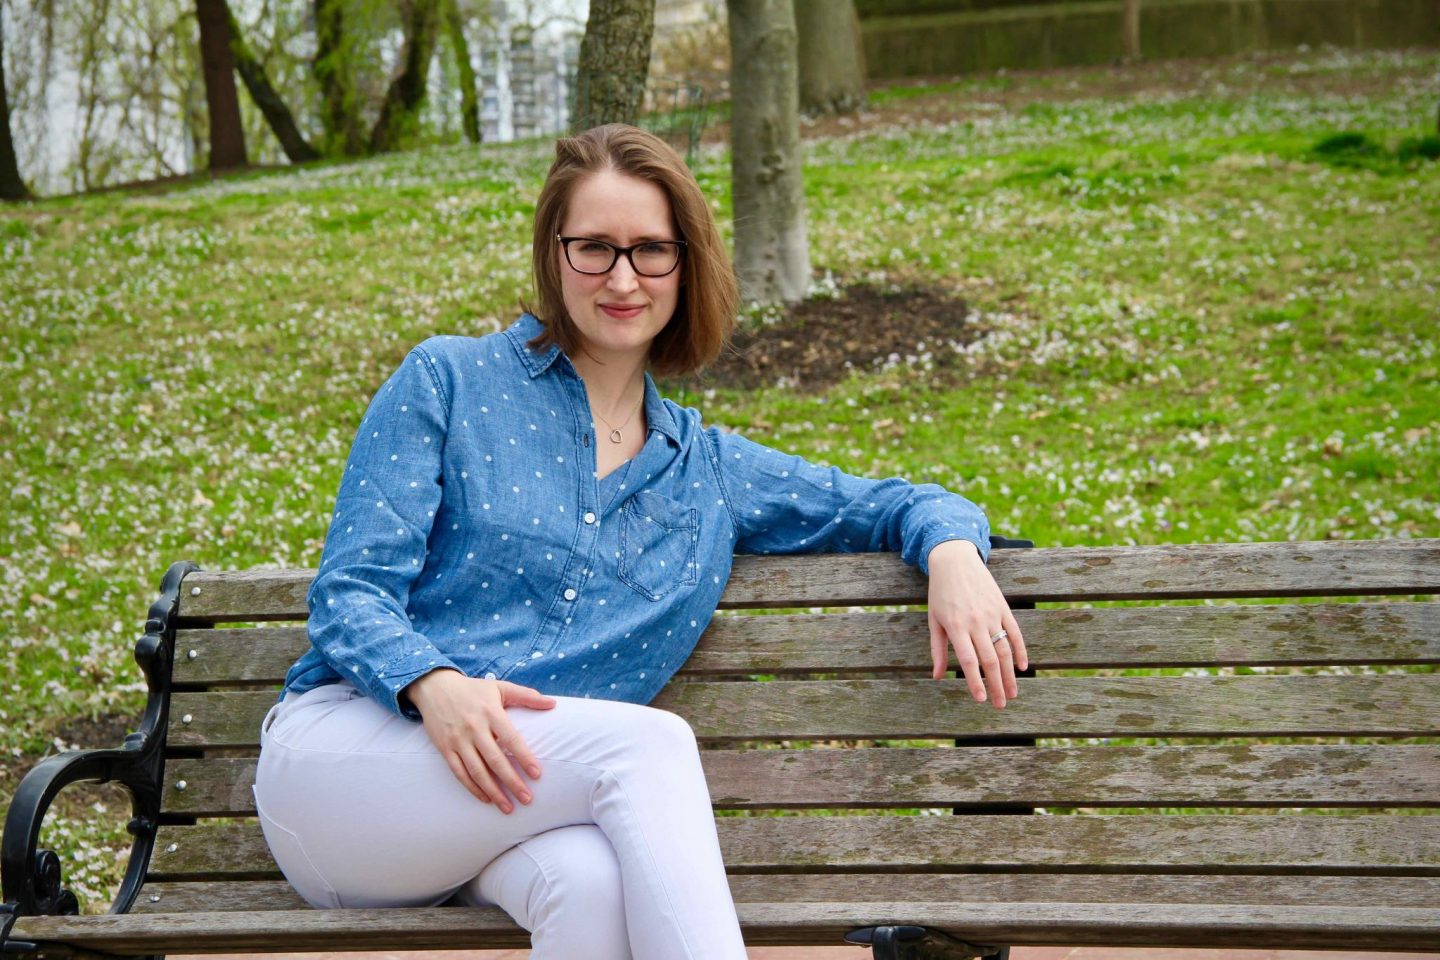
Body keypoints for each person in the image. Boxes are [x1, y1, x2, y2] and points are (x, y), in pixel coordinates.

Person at [252, 123, 1028, 960]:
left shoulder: (708, 471)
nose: (623, 278)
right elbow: (349, 593)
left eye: (651, 251)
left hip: (513, 798)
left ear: (685, 266)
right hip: (349, 765)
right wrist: (434, 684)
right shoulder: (448, 382)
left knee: (591, 888)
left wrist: (950, 548)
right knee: (648, 744)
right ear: (554, 254)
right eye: (594, 248)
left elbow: (893, 503)